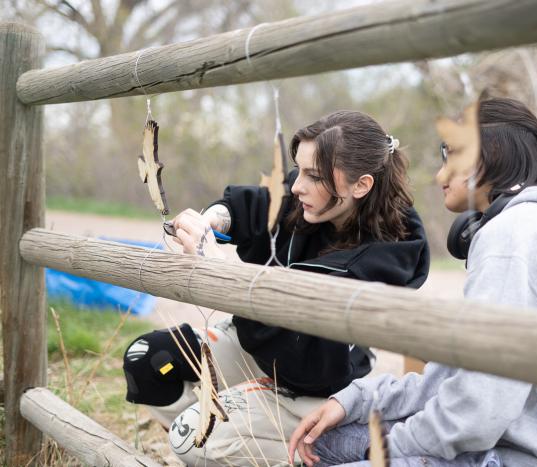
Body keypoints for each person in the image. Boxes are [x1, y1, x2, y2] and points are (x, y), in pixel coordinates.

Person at [289, 97, 537, 467]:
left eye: (450, 156)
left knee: (332, 452)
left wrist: (382, 449)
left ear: (486, 156)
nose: (440, 175)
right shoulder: (533, 227)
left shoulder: (514, 238)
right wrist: (353, 400)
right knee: (325, 443)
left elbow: (476, 411)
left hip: (525, 458)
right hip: (509, 446)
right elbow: (452, 379)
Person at [122, 110, 430, 466]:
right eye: (298, 169)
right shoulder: (312, 201)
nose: (298, 184)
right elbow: (256, 205)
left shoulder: (386, 254)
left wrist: (222, 272)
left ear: (361, 185)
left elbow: (306, 350)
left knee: (196, 435)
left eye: (313, 176)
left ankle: (324, 449)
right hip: (260, 345)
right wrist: (212, 220)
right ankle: (224, 450)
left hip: (313, 381)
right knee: (149, 359)